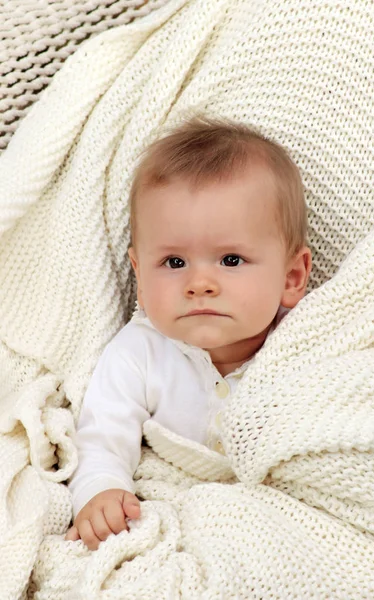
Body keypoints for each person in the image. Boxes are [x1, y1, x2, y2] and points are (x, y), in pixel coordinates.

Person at [66, 116, 312, 550]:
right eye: (175, 263)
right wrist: (102, 490)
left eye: (231, 260)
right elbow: (102, 435)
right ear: (139, 276)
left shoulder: (307, 344)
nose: (200, 283)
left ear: (292, 277)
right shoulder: (138, 352)